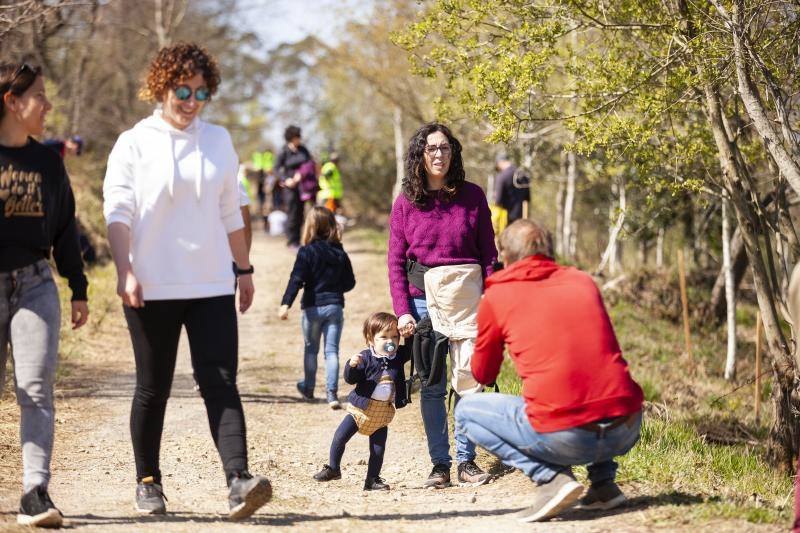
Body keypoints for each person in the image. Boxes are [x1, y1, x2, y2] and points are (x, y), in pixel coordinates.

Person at [103, 43, 270, 519]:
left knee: (220, 382)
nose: (191, 100)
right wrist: (124, 269)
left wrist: (244, 269)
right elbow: (118, 211)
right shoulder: (134, 142)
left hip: (211, 285)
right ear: (161, 87)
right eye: (182, 90)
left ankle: (239, 480)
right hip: (151, 286)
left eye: (201, 92)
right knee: (152, 387)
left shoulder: (218, 140)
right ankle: (148, 481)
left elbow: (229, 213)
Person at [455, 219, 644, 523]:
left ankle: (551, 480)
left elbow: (483, 374)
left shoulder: (497, 297)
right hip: (627, 426)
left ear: (505, 256)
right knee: (592, 380)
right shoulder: (583, 281)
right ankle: (603, 485)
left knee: (466, 411)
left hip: (568, 438)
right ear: (550, 251)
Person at [0, 62, 89, 528]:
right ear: (13, 102)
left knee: (35, 390)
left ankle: (35, 492)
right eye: (39, 96)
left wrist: (78, 287)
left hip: (35, 282)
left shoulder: (47, 163)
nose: (47, 106)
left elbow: (65, 229)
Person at [388, 122, 497, 489]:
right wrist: (403, 310)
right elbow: (395, 262)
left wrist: (495, 302)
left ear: (454, 153)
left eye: (445, 148)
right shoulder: (406, 203)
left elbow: (489, 256)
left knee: (468, 382)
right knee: (432, 386)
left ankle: (467, 461)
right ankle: (440, 464)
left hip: (469, 303)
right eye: (432, 148)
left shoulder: (473, 196)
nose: (439, 154)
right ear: (420, 155)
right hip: (423, 305)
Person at [312, 312, 410, 491]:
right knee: (340, 437)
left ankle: (371, 480)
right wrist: (352, 365)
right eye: (384, 337)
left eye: (395, 337)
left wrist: (410, 331)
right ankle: (333, 468)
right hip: (360, 410)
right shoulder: (365, 357)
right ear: (371, 339)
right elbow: (351, 379)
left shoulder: (398, 357)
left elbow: (413, 348)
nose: (391, 342)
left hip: (381, 413)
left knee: (378, 450)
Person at [279, 206, 355, 408]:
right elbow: (350, 283)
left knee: (311, 350)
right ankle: (332, 395)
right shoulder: (339, 251)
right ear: (332, 226)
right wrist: (335, 287)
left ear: (309, 226)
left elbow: (296, 279)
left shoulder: (306, 252)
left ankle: (309, 389)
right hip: (335, 306)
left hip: (312, 307)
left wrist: (286, 303)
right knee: (332, 352)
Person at [274, 125, 311, 249]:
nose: (299, 139)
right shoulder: (283, 151)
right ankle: (291, 241)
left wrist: (301, 174)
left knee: (301, 213)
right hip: (289, 188)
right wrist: (286, 180)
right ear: (291, 138)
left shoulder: (303, 150)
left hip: (303, 187)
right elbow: (276, 169)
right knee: (292, 213)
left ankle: (299, 239)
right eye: (297, 137)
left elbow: (309, 164)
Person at [493, 153, 529, 225]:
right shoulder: (522, 174)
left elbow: (498, 200)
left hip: (507, 218)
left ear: (500, 162)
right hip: (522, 219)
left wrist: (495, 196)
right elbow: (527, 198)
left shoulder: (502, 176)